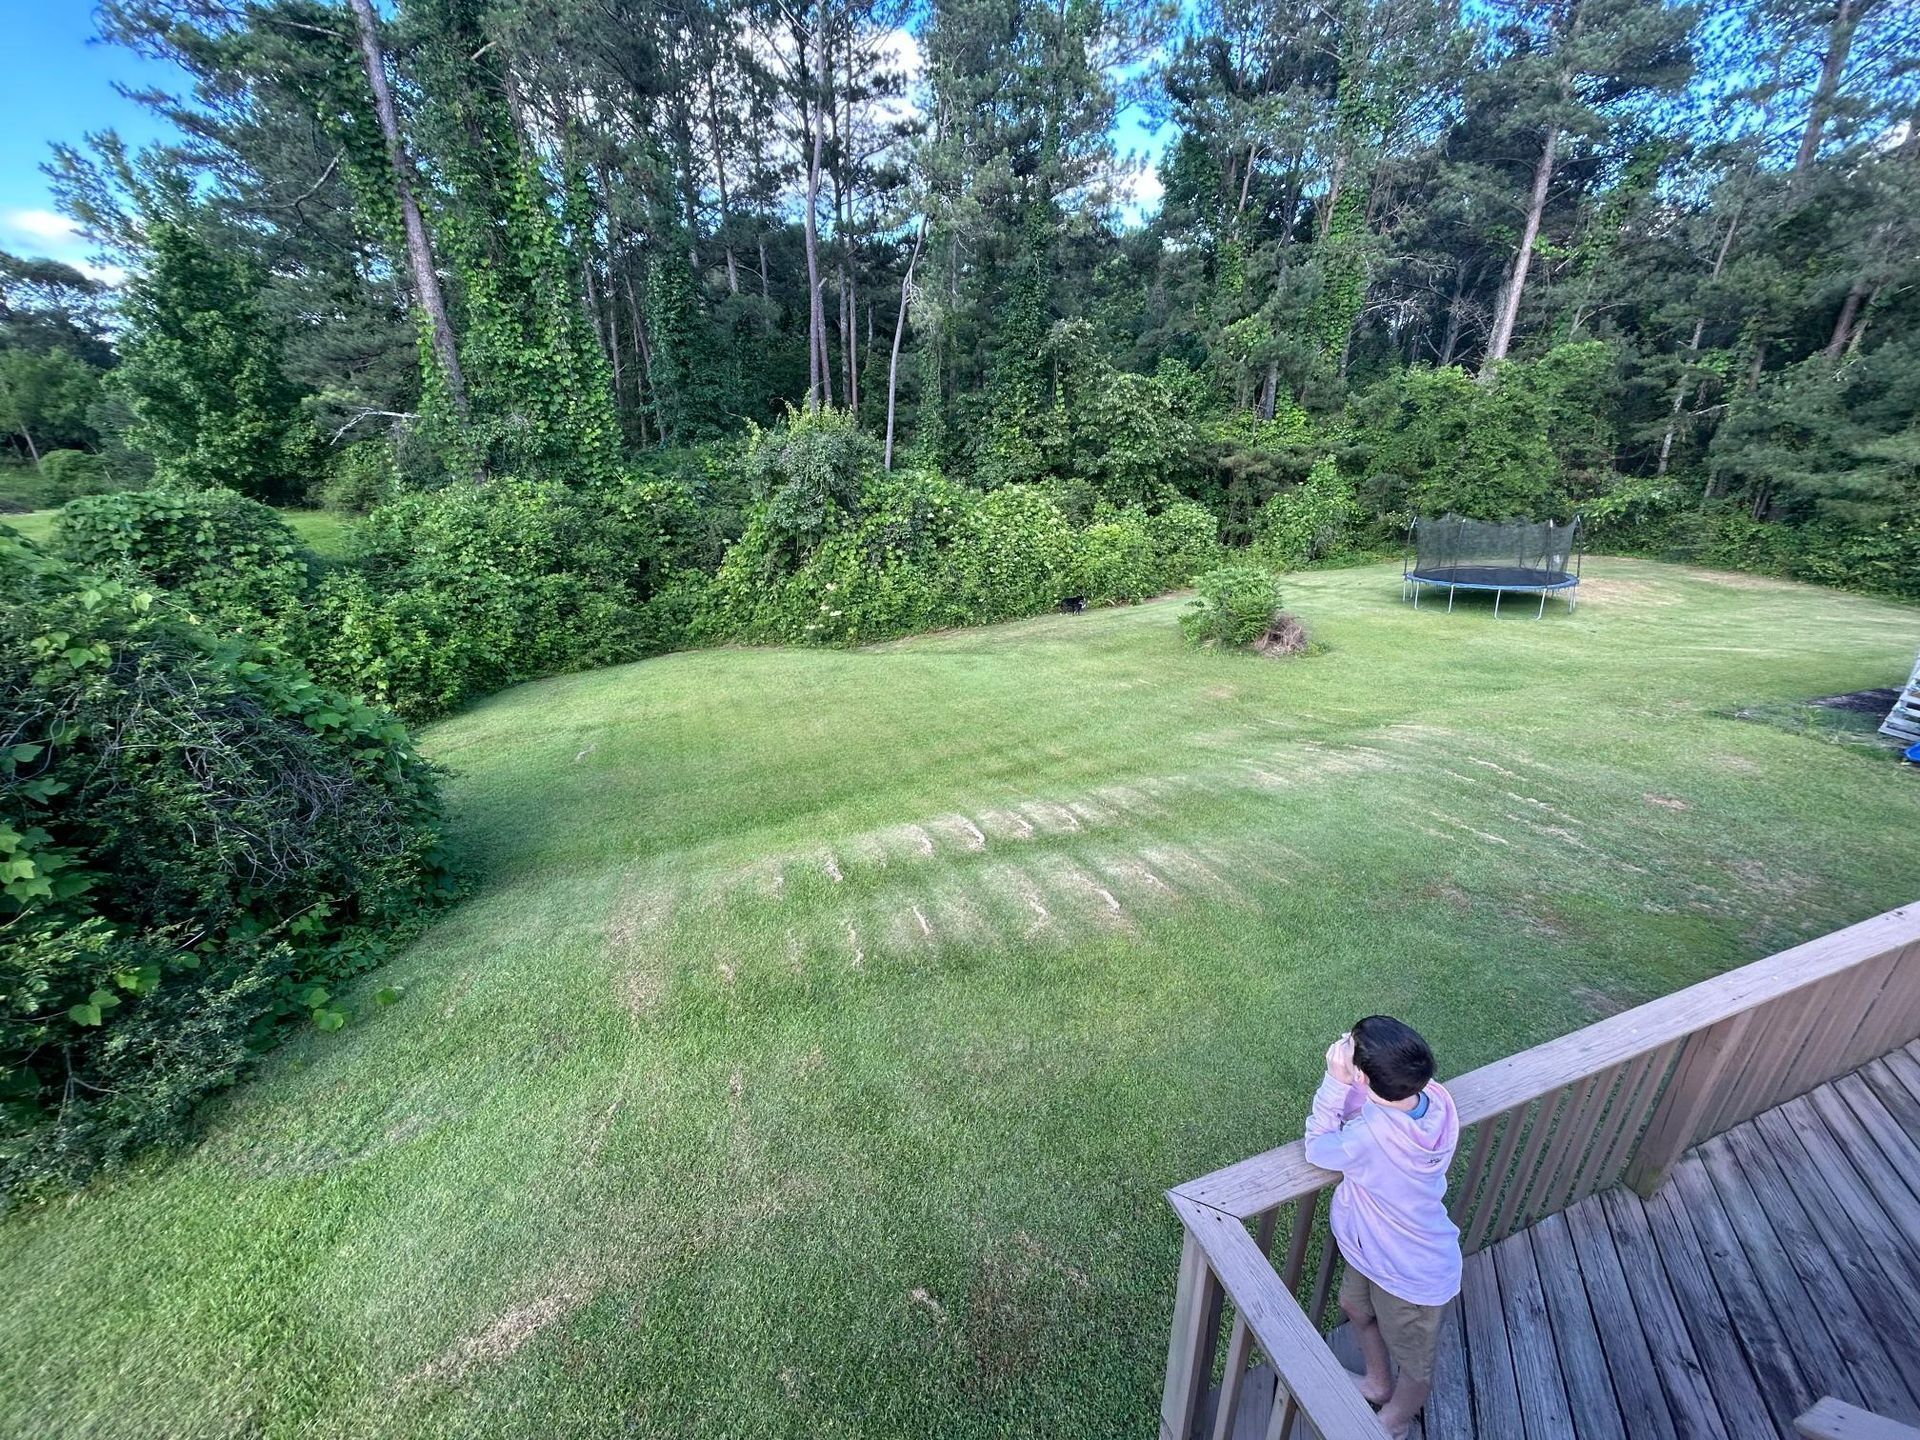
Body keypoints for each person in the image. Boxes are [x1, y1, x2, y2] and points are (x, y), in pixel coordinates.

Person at [1304, 1016, 1460, 1439]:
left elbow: (1317, 1146)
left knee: (1415, 1363)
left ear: (1364, 1077)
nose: (1343, 1043)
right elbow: (1369, 1106)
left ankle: (1396, 1420)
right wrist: (1357, 1078)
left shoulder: (1368, 1139)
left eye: (1350, 1046)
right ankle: (1376, 1382)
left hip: (1413, 1272)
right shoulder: (1433, 1099)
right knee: (1355, 1306)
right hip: (1376, 1248)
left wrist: (1334, 1083)